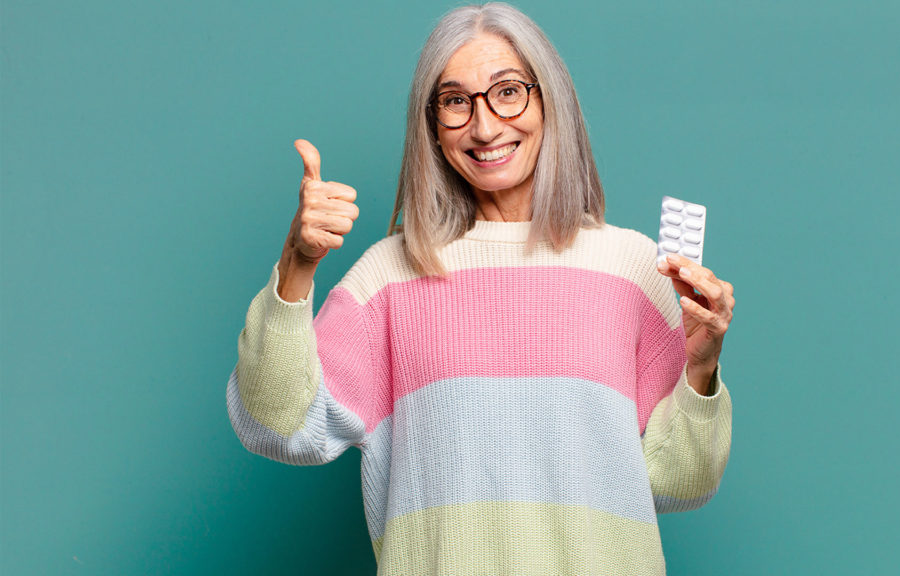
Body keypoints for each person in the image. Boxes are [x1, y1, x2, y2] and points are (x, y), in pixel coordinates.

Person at [227, 3, 735, 574]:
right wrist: (297, 263)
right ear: (432, 125)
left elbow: (679, 484)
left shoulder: (631, 267)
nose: (486, 126)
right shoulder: (390, 276)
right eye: (455, 101)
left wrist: (700, 367)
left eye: (508, 91)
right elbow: (274, 425)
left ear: (550, 102)